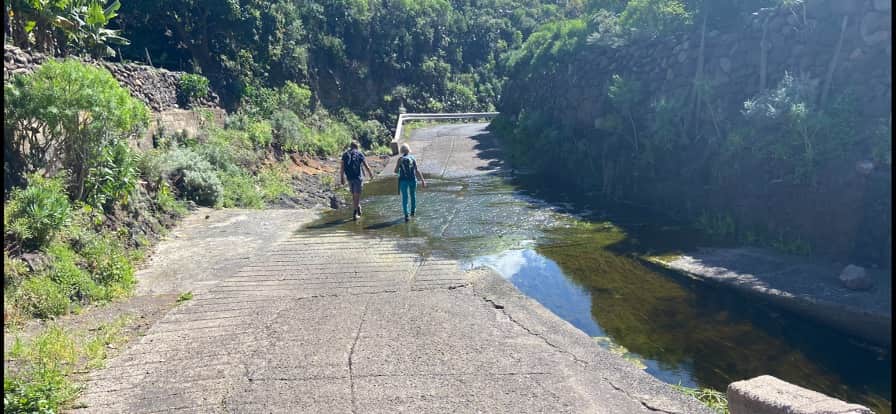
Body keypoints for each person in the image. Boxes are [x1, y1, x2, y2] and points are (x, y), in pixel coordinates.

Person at [340, 141, 374, 220]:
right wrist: (370, 174)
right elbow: (366, 165)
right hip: (358, 177)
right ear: (357, 146)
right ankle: (355, 211)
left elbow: (342, 168)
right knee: (356, 194)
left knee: (354, 194)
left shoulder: (345, 155)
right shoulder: (359, 154)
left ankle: (357, 206)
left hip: (349, 177)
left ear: (350, 146)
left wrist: (342, 178)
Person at [394, 143, 426, 222]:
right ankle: (413, 212)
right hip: (412, 180)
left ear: (401, 150)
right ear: (408, 150)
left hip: (403, 181)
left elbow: (395, 171)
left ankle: (406, 215)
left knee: (405, 197)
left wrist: (399, 166)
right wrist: (422, 180)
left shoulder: (400, 159)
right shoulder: (412, 158)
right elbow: (417, 170)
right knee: (413, 196)